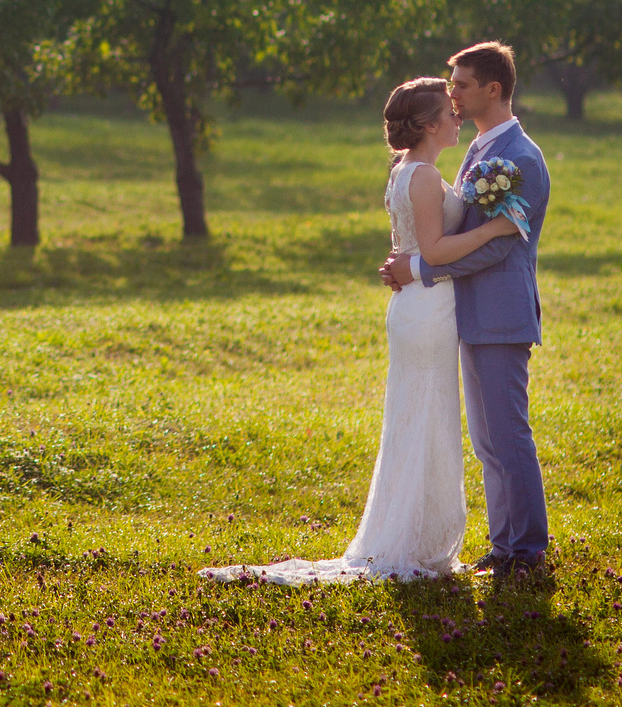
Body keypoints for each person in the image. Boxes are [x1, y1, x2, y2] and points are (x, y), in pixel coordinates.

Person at [200, 73, 522, 584]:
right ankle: (410, 541)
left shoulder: (407, 170)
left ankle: (417, 536)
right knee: (424, 417)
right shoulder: (420, 175)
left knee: (423, 416)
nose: (457, 117)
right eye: (449, 112)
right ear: (429, 125)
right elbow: (435, 251)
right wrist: (495, 228)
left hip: (419, 305)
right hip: (427, 308)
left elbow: (413, 246)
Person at [382, 41, 552, 578]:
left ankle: (527, 551)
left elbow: (499, 247)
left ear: (492, 89)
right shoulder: (480, 148)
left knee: (508, 435)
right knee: (487, 441)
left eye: (461, 84)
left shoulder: (521, 158)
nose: (452, 93)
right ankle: (504, 547)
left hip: (500, 313)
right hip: (468, 312)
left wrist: (421, 269)